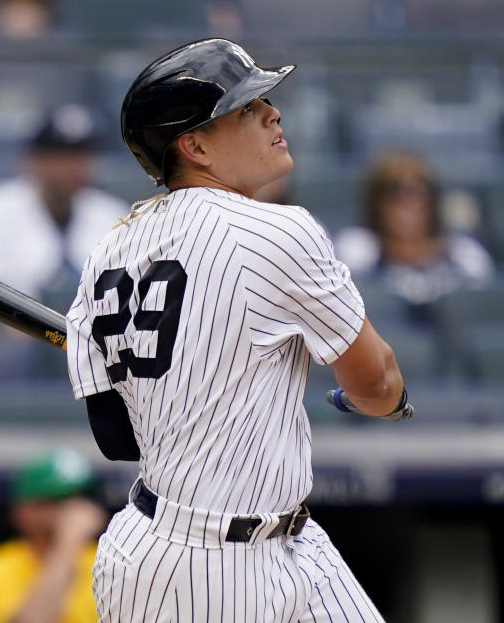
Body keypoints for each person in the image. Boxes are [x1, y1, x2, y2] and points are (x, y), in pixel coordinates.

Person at [65, 38, 413, 622]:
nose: (272, 113)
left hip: (275, 541)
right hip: (199, 567)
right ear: (194, 144)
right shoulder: (277, 230)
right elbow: (378, 384)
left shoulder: (107, 249)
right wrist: (385, 402)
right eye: (247, 108)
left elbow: (117, 435)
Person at [0, 103, 129, 298]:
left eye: (81, 156)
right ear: (31, 160)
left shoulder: (115, 215)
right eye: (60, 157)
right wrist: (4, 310)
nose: (72, 167)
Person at [333, 150, 494, 318]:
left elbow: (481, 311)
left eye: (423, 192)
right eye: (396, 191)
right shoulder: (359, 252)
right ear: (377, 203)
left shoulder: (464, 255)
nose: (411, 203)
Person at [0, 449, 108, 623]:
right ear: (23, 512)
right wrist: (68, 542)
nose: (75, 509)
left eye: (82, 497)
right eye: (59, 499)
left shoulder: (106, 563)